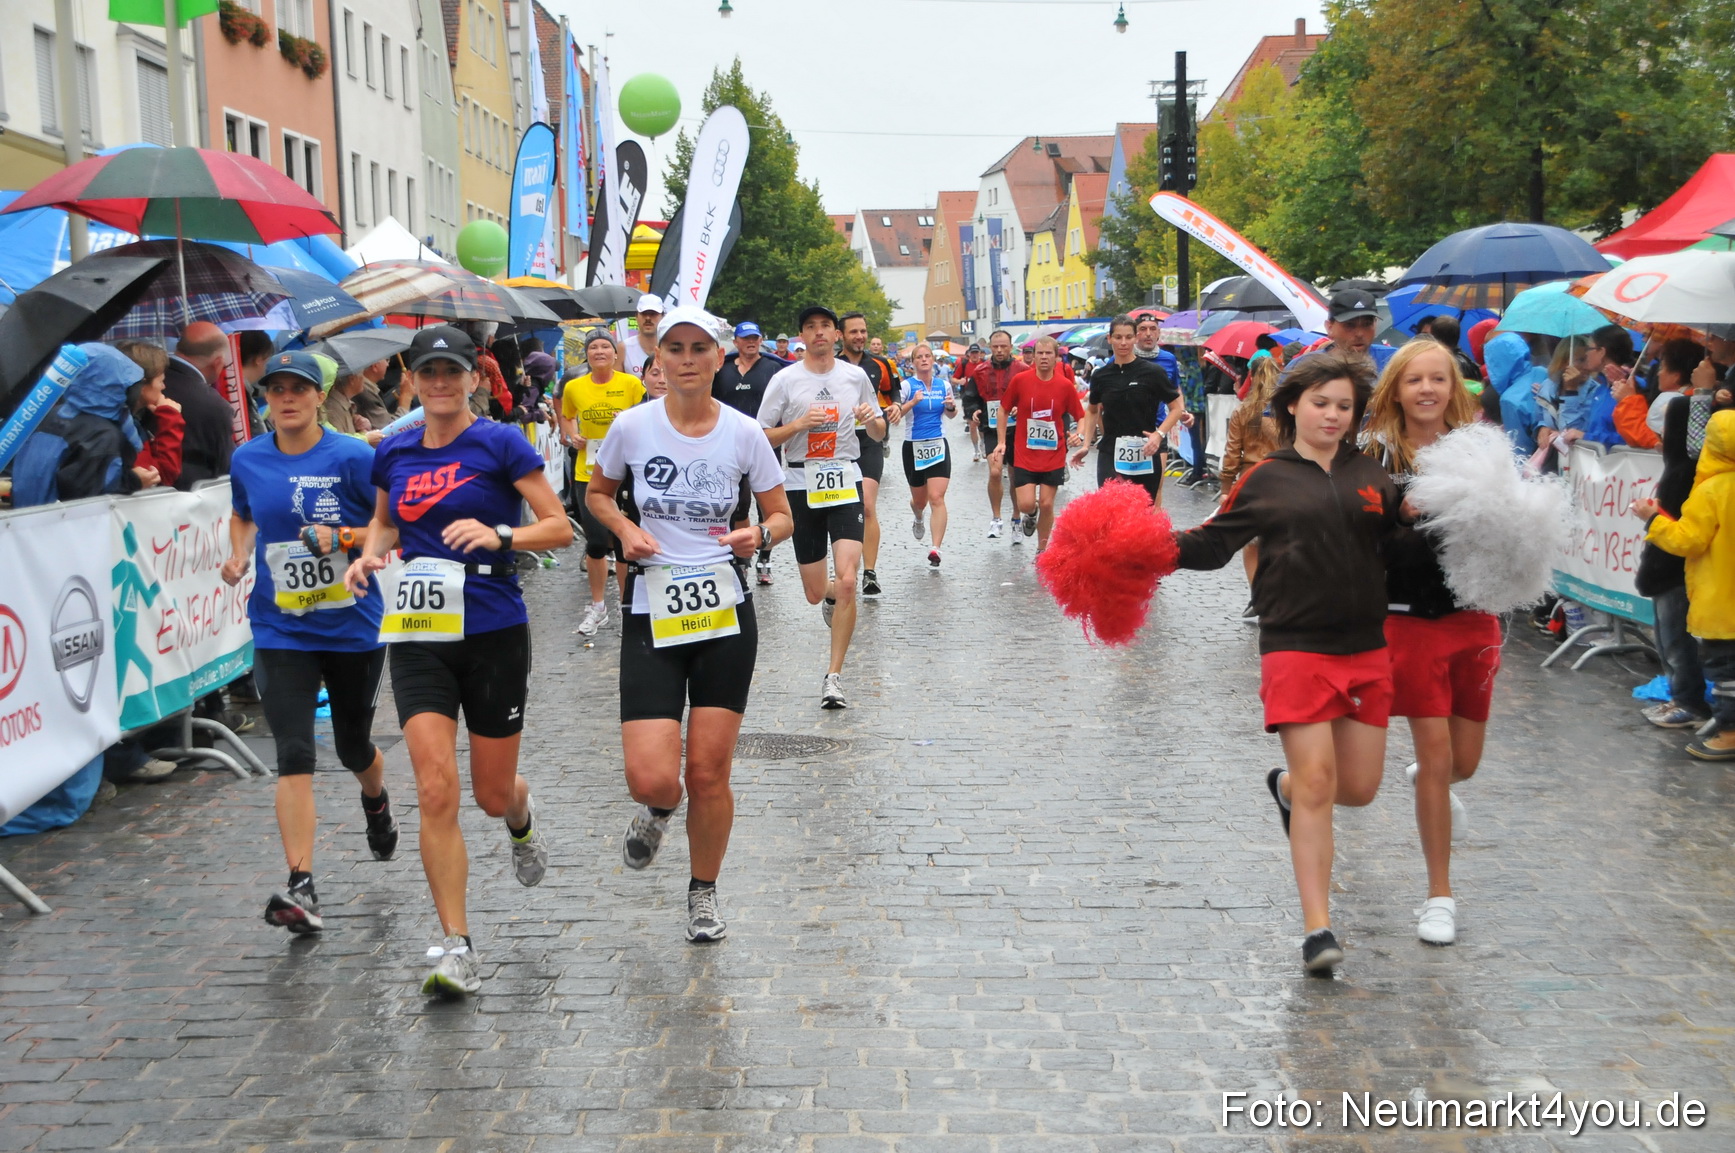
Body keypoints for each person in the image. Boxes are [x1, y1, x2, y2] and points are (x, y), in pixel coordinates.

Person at [343, 325, 573, 997]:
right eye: (427, 371)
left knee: (491, 792)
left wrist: (500, 532)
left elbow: (558, 526)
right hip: (418, 630)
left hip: (494, 629)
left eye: (452, 370)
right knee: (436, 787)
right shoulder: (394, 451)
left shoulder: (500, 442)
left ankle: (520, 815)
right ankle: (456, 945)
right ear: (411, 379)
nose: (439, 382)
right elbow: (384, 522)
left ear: (473, 377)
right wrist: (369, 552)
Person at [1172, 352, 1399, 974]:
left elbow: (1401, 551)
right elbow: (1213, 545)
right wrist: (1141, 548)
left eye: (1344, 406)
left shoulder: (1374, 475)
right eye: (1321, 402)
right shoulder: (1268, 476)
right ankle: (1317, 929)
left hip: (1367, 648)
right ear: (1293, 404)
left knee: (1357, 788)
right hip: (1295, 645)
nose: (1332, 414)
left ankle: (1286, 792)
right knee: (1323, 784)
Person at [586, 307, 794, 942]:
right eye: (672, 347)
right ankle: (657, 807)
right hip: (652, 609)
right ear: (658, 359)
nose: (684, 358)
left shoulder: (744, 433)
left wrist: (757, 534)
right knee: (652, 774)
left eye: (697, 348)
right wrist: (625, 529)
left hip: (724, 612)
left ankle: (703, 893)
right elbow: (596, 495)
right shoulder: (631, 426)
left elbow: (782, 515)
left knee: (708, 771)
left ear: (717, 358)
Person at [219, 351, 395, 935]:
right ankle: (302, 884)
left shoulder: (351, 454)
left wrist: (342, 536)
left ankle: (377, 803)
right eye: (276, 390)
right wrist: (239, 551)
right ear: (265, 398)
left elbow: (387, 527)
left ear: (320, 396)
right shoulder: (248, 458)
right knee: (294, 752)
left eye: (299, 388)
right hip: (280, 627)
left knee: (351, 747)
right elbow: (244, 514)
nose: (287, 398)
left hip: (351, 626)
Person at [1362, 340, 1494, 946]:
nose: (1427, 390)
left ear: (1454, 388)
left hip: (1475, 617)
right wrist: (1402, 516)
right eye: (1414, 380)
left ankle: (1430, 779)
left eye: (1438, 379)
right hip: (1408, 619)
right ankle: (1439, 896)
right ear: (1396, 388)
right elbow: (1362, 540)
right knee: (1439, 756)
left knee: (1461, 764)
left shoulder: (1480, 450)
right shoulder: (1373, 456)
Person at [756, 305, 887, 709]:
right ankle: (829, 596)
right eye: (810, 327)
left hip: (844, 478)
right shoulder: (784, 381)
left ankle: (834, 677)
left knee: (848, 580)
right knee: (816, 592)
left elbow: (880, 429)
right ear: (802, 336)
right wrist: (796, 426)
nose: (818, 333)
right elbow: (761, 437)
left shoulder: (855, 377)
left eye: (825, 327)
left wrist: (872, 420)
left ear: (836, 335)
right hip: (799, 482)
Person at [1633, 410, 1735, 762]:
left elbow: (1689, 540)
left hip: (1721, 601)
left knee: (1725, 673)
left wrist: (1653, 520)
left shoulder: (1711, 490)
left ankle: (1729, 733)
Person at [1635, 368, 1710, 732]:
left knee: (1676, 636)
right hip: (1668, 560)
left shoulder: (1688, 473)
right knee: (1668, 635)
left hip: (1675, 564)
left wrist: (1652, 519)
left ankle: (1688, 700)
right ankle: (1681, 696)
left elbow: (1683, 526)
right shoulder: (1679, 469)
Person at [559, 330, 645, 637]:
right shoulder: (574, 387)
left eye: (605, 346)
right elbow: (566, 417)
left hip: (624, 470)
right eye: (593, 347)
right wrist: (572, 435)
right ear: (587, 354)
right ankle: (597, 607)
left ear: (615, 354)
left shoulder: (632, 384)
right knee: (595, 541)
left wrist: (629, 418)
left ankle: (625, 608)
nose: (599, 352)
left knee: (623, 542)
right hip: (588, 471)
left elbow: (647, 415)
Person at [10, 343, 151, 504]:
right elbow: (86, 497)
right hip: (60, 524)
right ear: (114, 384)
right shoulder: (102, 434)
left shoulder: (48, 415)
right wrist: (134, 481)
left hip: (25, 517)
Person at [1073, 314, 1185, 509]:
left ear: (1135, 338)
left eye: (1128, 337)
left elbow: (1176, 408)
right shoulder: (1101, 375)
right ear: (1109, 339)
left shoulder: (1152, 372)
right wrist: (1085, 443)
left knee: (1142, 513)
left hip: (1145, 450)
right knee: (1111, 508)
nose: (1123, 343)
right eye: (1118, 337)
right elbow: (1092, 410)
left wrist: (1159, 435)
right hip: (1111, 449)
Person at [714, 320, 788, 585]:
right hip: (728, 447)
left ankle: (764, 559)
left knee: (769, 508)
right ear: (735, 342)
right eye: (745, 338)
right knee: (738, 504)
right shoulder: (721, 371)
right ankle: (742, 560)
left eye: (755, 338)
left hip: (766, 446)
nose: (751, 342)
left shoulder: (773, 369)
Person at [994, 337, 1083, 553]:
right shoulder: (1021, 381)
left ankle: (1042, 551)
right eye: (1040, 353)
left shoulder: (1064, 386)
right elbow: (1003, 410)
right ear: (1033, 356)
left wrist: (1079, 435)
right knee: (1026, 504)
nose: (1044, 357)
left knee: (1046, 503)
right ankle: (1030, 516)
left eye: (1048, 353)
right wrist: (1002, 442)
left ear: (1056, 357)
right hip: (1025, 453)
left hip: (1053, 454)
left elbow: (1080, 415)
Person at [838, 312, 897, 598]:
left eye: (863, 331)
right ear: (842, 335)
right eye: (854, 332)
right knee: (844, 508)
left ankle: (870, 572)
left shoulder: (880, 364)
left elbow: (892, 393)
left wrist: (895, 407)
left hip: (870, 440)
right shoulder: (832, 365)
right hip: (838, 444)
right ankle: (845, 565)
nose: (860, 337)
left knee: (868, 506)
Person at [1218, 354, 1280, 620]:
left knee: (1252, 544)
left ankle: (1258, 595)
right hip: (1282, 478)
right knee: (1278, 542)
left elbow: (1232, 453)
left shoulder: (1243, 410)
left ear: (1251, 377)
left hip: (1251, 481)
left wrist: (1225, 486)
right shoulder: (1288, 409)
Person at [891, 343, 957, 566]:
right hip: (913, 446)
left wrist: (950, 406)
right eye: (919, 357)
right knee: (920, 501)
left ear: (933, 360)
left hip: (938, 444)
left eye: (927, 356)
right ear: (913, 363)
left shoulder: (944, 385)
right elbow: (897, 415)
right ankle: (918, 516)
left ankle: (935, 548)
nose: (924, 360)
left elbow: (951, 415)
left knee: (936, 497)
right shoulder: (907, 386)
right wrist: (913, 402)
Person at [166, 321, 243, 488]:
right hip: (193, 500)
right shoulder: (214, 406)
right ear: (217, 363)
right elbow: (226, 467)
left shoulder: (149, 382)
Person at [971, 330, 1021, 537]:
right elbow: (970, 397)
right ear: (990, 348)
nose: (999, 350)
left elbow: (1032, 397)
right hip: (992, 429)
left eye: (1003, 346)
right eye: (995, 346)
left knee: (1015, 476)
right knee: (994, 471)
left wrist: (1022, 407)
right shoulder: (980, 371)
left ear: (1010, 347)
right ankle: (996, 518)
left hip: (1017, 429)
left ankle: (1017, 518)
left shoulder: (1023, 369)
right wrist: (972, 410)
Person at [117, 341, 185, 489]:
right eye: (161, 381)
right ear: (142, 385)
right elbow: (165, 475)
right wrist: (170, 419)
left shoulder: (132, 419)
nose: (163, 386)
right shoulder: (124, 426)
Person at [1306, 289, 1397, 373]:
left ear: (1375, 324)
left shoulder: (1395, 360)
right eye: (1349, 325)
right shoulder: (1305, 367)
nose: (1359, 334)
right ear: (1329, 327)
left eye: (1366, 324)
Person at [624, 293, 664, 376]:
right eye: (644, 313)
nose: (648, 318)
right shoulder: (624, 348)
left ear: (662, 316)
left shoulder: (673, 347)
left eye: (653, 314)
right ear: (636, 316)